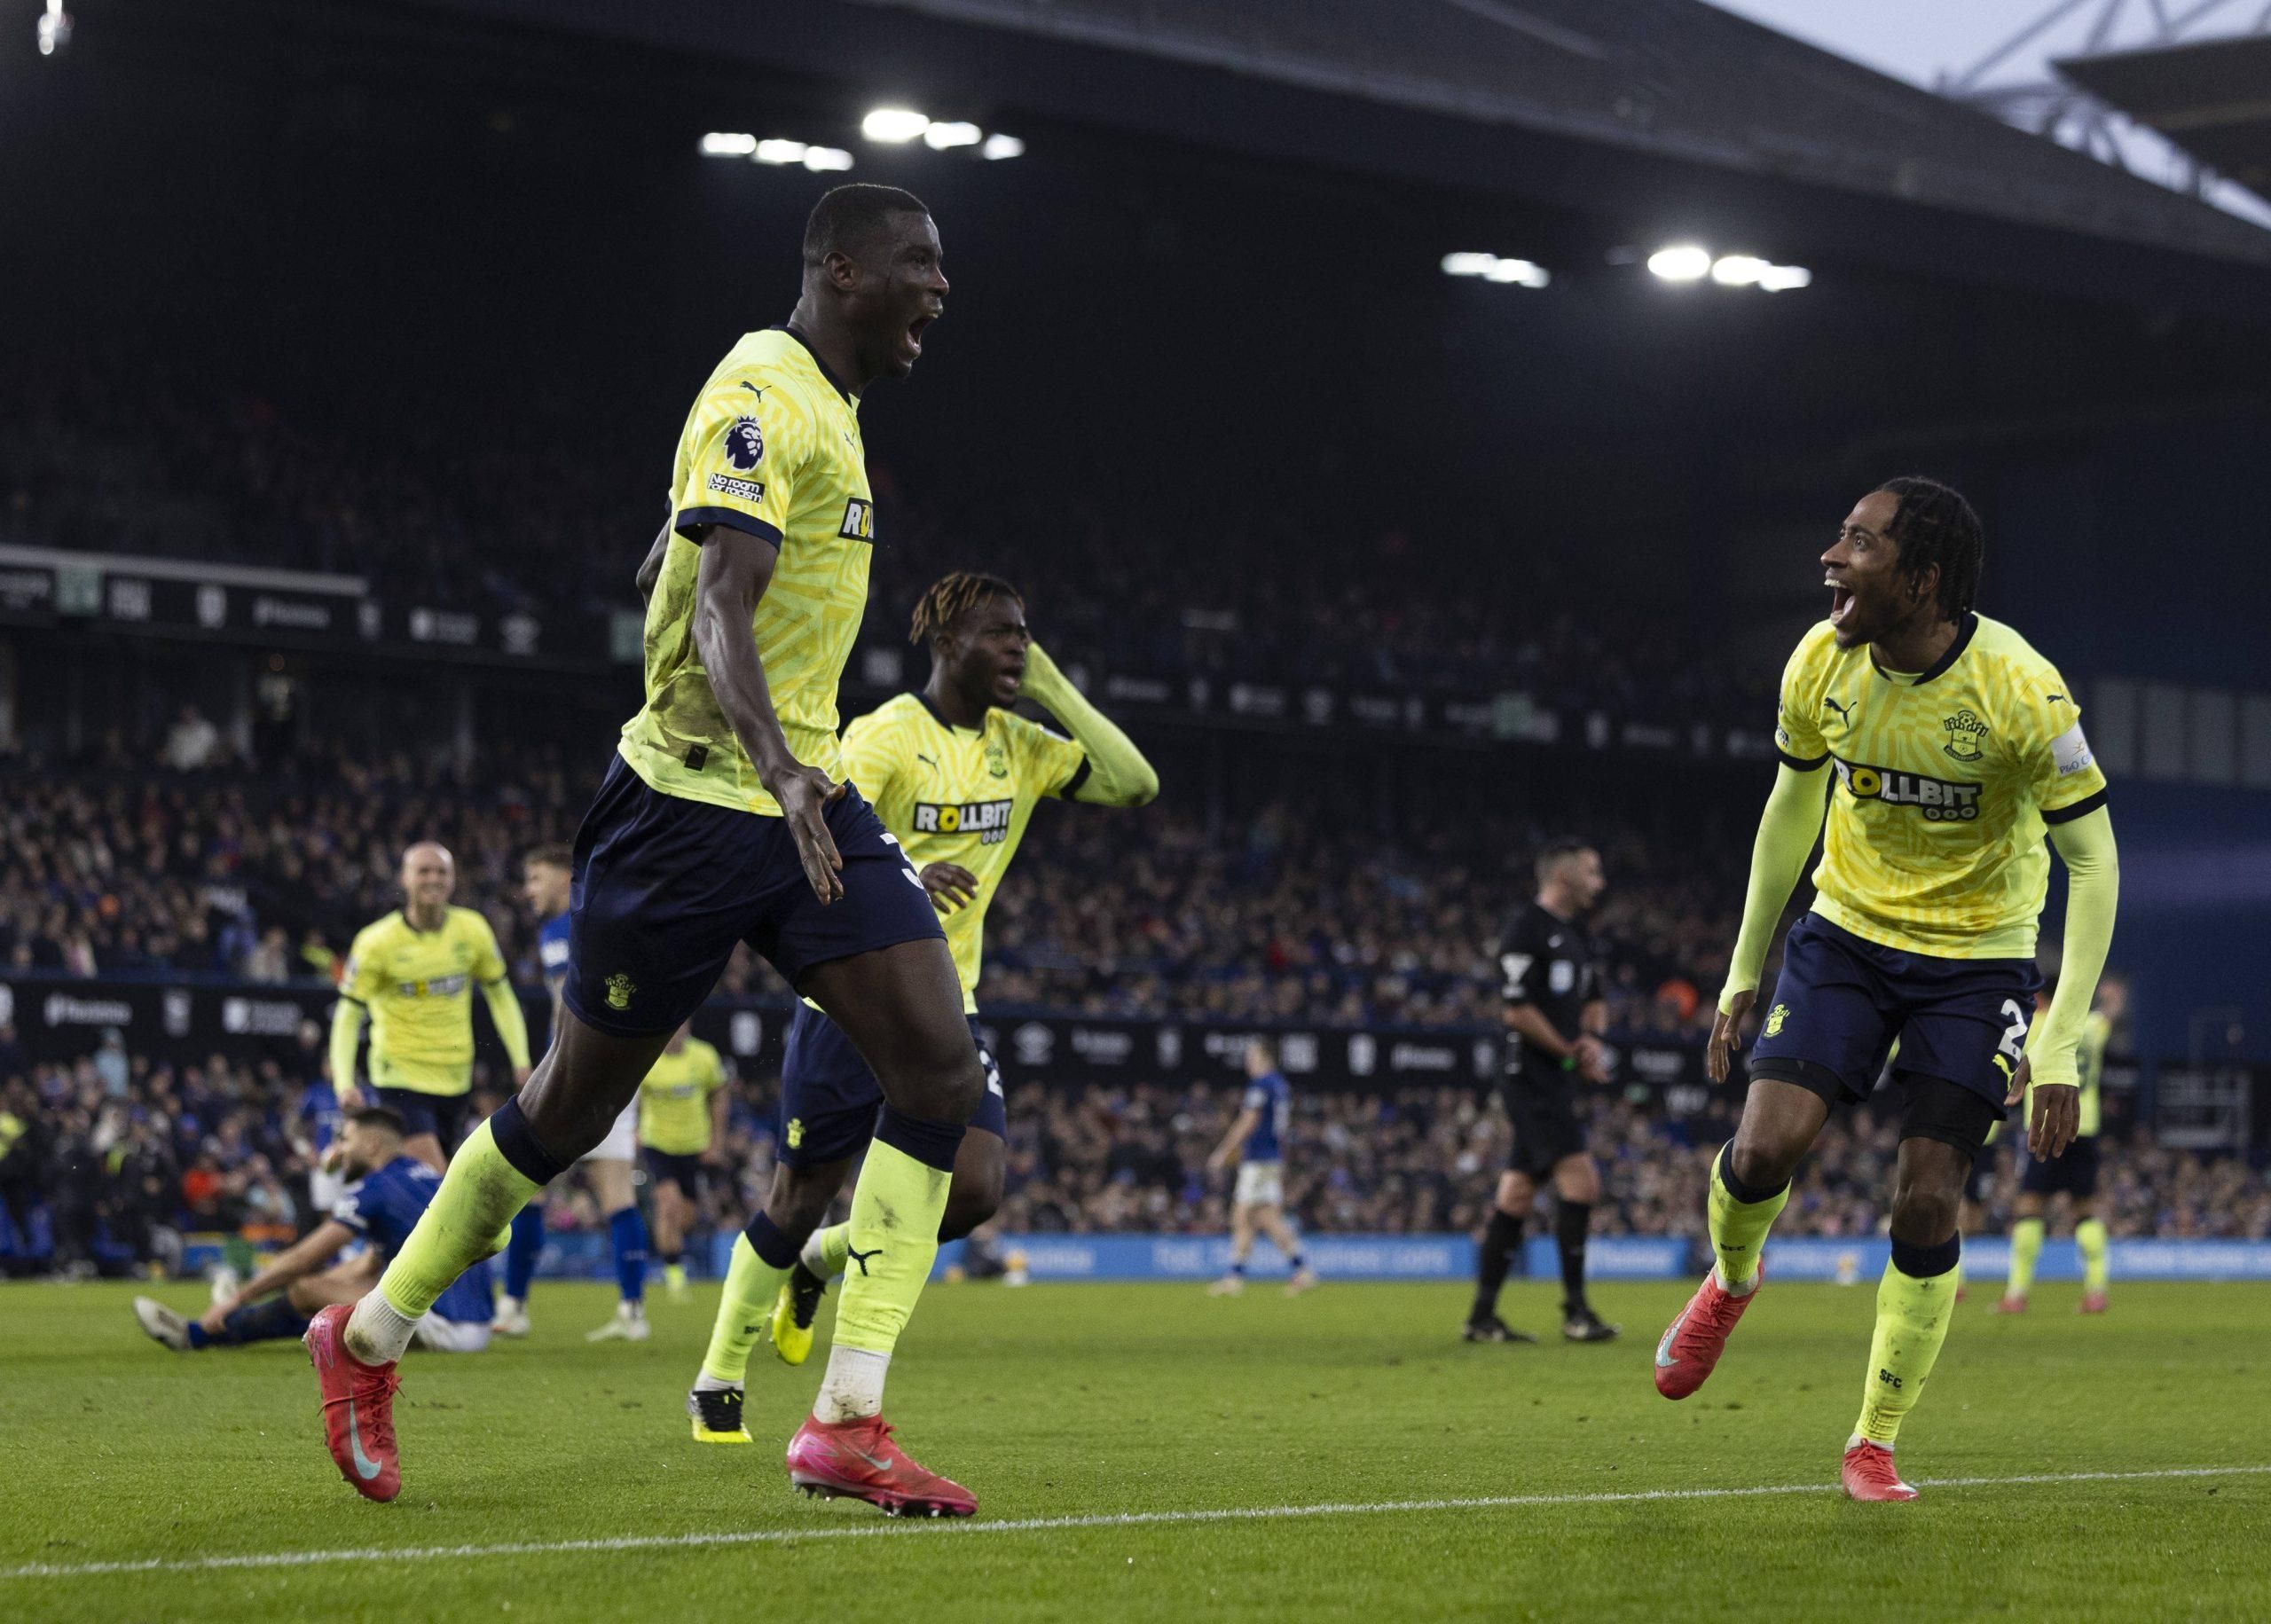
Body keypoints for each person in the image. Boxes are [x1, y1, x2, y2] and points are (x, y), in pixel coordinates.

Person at [305, 184, 987, 1517]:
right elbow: (727, 596)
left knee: (938, 1065)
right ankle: (368, 1335)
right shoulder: (766, 389)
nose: (940, 286)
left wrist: (792, 757)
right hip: (688, 807)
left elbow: (696, 564)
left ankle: (846, 1415)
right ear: (842, 269)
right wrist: (780, 762)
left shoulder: (827, 414)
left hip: (804, 797)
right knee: (565, 1111)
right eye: (919, 262)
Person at [1655, 477, 2119, 1502]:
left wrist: (2059, 1041)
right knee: (1765, 1144)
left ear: (1923, 577)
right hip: (1847, 937)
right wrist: (1742, 967)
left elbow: (2096, 863)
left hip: (1977, 962)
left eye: (1858, 544)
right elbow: (1790, 805)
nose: (1830, 557)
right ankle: (1732, 1279)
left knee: (1924, 1197)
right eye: (1837, 537)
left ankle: (1872, 1438)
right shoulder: (1821, 661)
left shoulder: (2020, 690)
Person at [689, 568, 1156, 1437]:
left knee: (976, 1189)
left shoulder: (1021, 746)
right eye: (999, 633)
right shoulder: (888, 736)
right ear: (946, 644)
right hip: (852, 998)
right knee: (798, 1194)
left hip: (951, 1001)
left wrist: (1051, 683)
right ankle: (717, 1377)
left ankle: (823, 1263)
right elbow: (811, 826)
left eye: (1025, 632)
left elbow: (1135, 783)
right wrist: (899, 864)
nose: (1016, 645)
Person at [136, 1108, 493, 1355]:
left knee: (307, 1289)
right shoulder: (425, 1177)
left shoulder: (377, 1188)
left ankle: (203, 1334)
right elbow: (361, 1267)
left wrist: (239, 1298)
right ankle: (227, 1326)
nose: (339, 1150)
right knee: (325, 1299)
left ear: (371, 1145)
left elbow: (305, 1258)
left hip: (446, 1325)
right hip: (474, 1323)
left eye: (345, 1139)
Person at [492, 844, 653, 1344]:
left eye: (537, 878)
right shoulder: (589, 923)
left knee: (527, 1188)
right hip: (616, 1072)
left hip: (572, 1077)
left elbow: (569, 1009)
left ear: (565, 878)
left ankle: (514, 1307)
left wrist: (553, 1073)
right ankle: (633, 1312)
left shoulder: (564, 929)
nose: (529, 890)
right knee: (617, 1195)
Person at [1468, 838, 1618, 1344]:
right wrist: (1571, 1052)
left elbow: (1594, 996)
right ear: (1564, 876)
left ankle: (1481, 1318)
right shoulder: (1525, 930)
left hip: (1554, 1075)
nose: (1599, 882)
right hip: (1527, 1075)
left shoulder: (1577, 934)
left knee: (1516, 1193)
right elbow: (1516, 1012)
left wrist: (1592, 1040)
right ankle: (1576, 1312)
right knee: (1582, 1183)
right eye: (1592, 872)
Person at [327, 843, 532, 1172]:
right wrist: (344, 1082)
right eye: (423, 871)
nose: (433, 879)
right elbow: (348, 1015)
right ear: (404, 879)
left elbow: (501, 995)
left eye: (442, 871)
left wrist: (520, 1060)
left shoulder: (472, 929)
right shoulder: (376, 942)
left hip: (455, 1079)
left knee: (431, 1189)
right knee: (437, 1182)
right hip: (399, 1077)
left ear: (453, 880)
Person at [2000, 973, 2123, 1314]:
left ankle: (2017, 1294)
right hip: (2085, 1127)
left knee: (2029, 1207)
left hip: (2044, 1126)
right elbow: (2110, 1012)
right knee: (2085, 1209)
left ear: (2039, 997)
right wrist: (2112, 994)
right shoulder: (2090, 1027)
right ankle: (2097, 1292)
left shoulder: (2037, 1025)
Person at [1204, 1040, 1316, 1296]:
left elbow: (1249, 1120)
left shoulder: (1262, 1085)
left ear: (1265, 1058)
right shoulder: (1280, 1085)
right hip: (1271, 1158)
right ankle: (1302, 1270)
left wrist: (1224, 1151)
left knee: (1241, 1216)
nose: (1247, 1061)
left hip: (1258, 1160)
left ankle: (1234, 1278)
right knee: (1267, 1218)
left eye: (1252, 1056)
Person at [639, 1022, 729, 1301]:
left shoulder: (704, 1057)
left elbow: (719, 1096)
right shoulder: (646, 1057)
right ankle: (674, 1274)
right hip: (656, 1144)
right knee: (668, 1204)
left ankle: (670, 1252)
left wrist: (716, 1143)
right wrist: (631, 1130)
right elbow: (630, 1096)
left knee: (686, 1218)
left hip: (693, 1146)